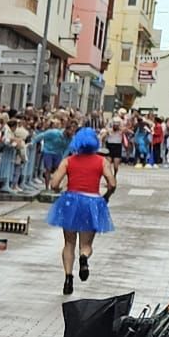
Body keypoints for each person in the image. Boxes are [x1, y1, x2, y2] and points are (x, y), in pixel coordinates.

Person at [46, 126, 115, 296]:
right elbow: (112, 183)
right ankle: (84, 257)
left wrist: (59, 190)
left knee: (69, 243)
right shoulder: (101, 161)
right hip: (92, 202)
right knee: (86, 244)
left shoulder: (69, 161)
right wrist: (106, 195)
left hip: (71, 201)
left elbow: (54, 184)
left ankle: (68, 277)